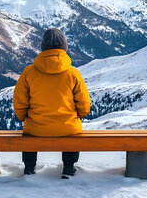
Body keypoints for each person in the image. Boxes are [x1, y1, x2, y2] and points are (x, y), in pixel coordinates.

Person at [12, 28, 91, 179]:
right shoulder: (73, 73)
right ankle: (68, 167)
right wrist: (79, 115)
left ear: (43, 47)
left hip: (36, 128)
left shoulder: (29, 72)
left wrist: (23, 117)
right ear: (64, 48)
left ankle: (29, 167)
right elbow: (84, 103)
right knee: (71, 132)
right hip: (67, 127)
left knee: (28, 134)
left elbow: (19, 101)